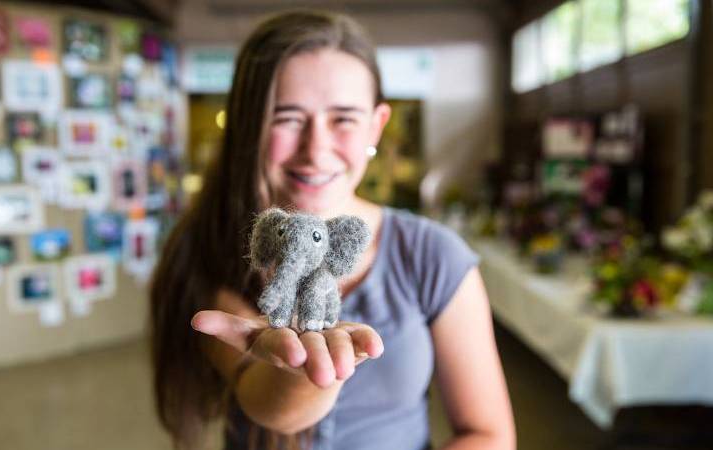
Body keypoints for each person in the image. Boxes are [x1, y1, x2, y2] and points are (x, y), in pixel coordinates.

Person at [150, 10, 515, 450]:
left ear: (375, 125)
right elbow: (267, 403)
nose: (316, 149)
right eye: (287, 118)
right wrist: (311, 372)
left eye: (343, 118)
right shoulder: (208, 245)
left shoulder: (434, 255)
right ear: (249, 125)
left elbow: (488, 434)